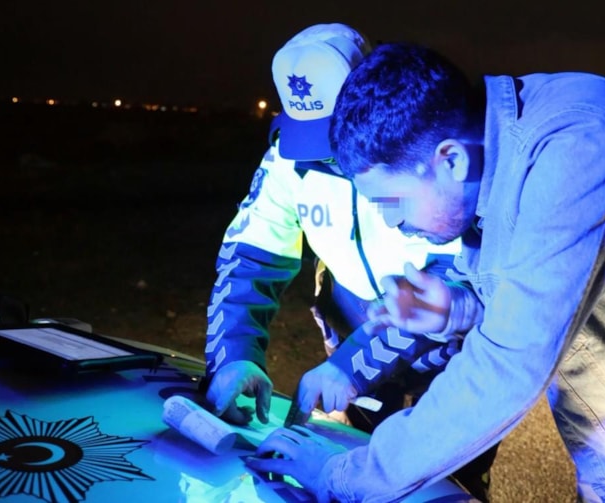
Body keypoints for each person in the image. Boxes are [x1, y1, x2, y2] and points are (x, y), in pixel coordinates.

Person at [246, 42, 605, 502]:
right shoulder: (496, 161)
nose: (391, 221)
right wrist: (457, 308)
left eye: (391, 201)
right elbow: (543, 288)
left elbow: (507, 365)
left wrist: (343, 474)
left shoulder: (577, 146)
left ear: (449, 160)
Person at [204, 28, 497, 499]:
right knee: (352, 470)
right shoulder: (288, 157)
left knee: (442, 480)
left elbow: (455, 279)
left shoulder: (416, 154)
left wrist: (352, 364)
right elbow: (249, 258)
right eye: (310, 136)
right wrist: (233, 356)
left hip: (446, 352)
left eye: (332, 136)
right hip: (352, 342)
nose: (327, 158)